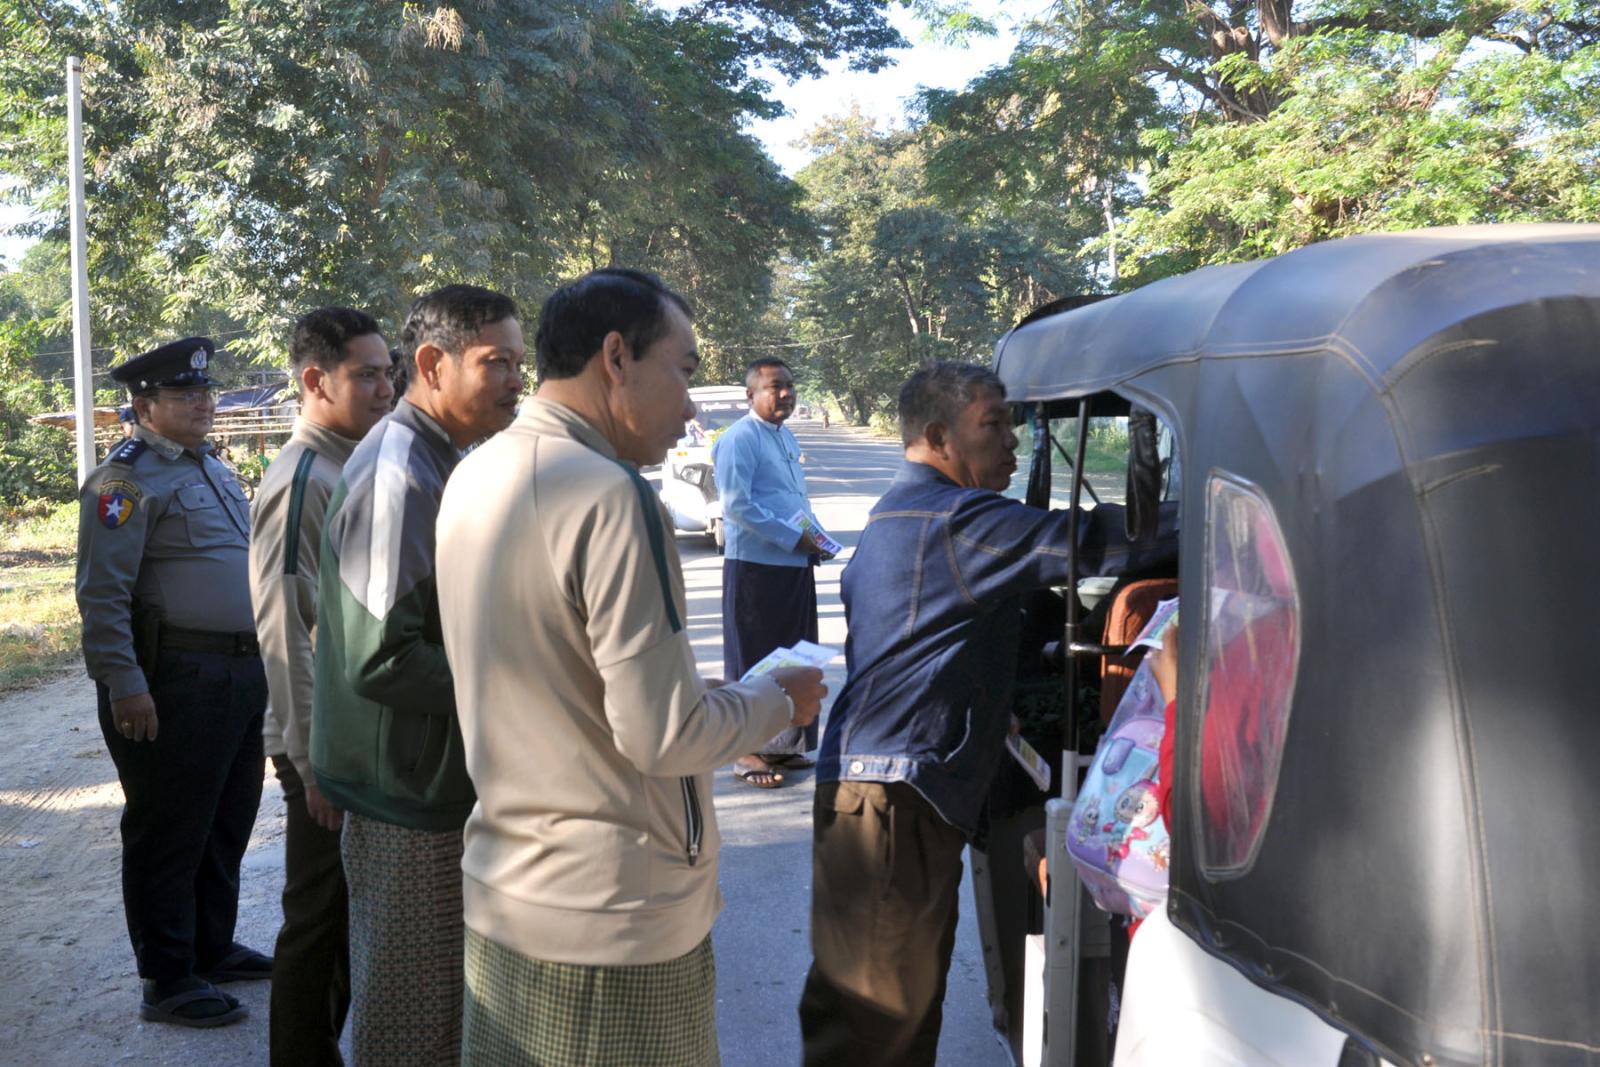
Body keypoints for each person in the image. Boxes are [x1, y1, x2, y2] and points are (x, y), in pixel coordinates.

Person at [436, 268, 826, 1067]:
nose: (689, 408)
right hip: (611, 920)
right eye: (683, 370)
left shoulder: (477, 470)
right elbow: (662, 736)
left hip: (508, 896)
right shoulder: (610, 495)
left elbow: (565, 679)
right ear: (616, 357)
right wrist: (774, 701)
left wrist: (704, 694)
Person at [798, 362, 1081, 1066]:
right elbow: (1085, 542)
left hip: (886, 790)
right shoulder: (956, 518)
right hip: (892, 799)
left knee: (900, 1013)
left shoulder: (899, 513)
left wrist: (984, 701)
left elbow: (909, 644)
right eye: (993, 424)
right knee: (870, 1030)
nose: (1011, 441)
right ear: (938, 436)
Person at [310, 285, 523, 1066]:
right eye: (497, 363)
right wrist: (520, 680)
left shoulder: (440, 458)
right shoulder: (399, 470)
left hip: (428, 778)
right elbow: (381, 656)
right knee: (413, 1022)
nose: (516, 381)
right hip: (405, 794)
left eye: (519, 363)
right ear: (432, 364)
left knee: (447, 1014)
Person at [75, 337, 273, 1028]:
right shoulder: (123, 482)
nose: (202, 402)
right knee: (169, 829)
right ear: (144, 405)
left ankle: (211, 948)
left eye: (205, 391)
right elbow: (102, 595)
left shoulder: (211, 466)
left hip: (239, 669)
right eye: (185, 394)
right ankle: (166, 977)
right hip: (175, 677)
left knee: (226, 820)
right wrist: (124, 683)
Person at [249, 307, 394, 1065]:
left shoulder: (350, 463)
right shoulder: (304, 478)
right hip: (322, 745)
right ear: (315, 380)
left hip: (351, 733)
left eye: (387, 372)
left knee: (341, 918)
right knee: (318, 919)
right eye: (366, 375)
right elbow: (283, 625)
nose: (385, 388)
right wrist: (312, 764)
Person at [712, 357, 834, 788]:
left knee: (794, 657)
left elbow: (792, 500)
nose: (785, 394)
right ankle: (745, 751)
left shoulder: (784, 436)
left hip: (794, 565)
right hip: (755, 569)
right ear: (751, 395)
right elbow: (737, 506)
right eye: (775, 386)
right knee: (754, 659)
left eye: (790, 385)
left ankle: (782, 745)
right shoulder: (739, 439)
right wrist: (793, 538)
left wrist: (815, 538)